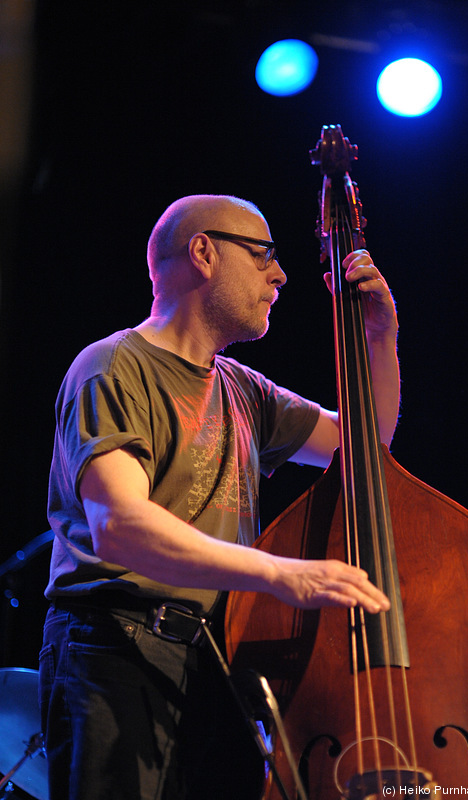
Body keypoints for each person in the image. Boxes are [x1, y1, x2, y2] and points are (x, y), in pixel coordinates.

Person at [39, 194, 400, 800]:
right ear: (204, 252)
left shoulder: (243, 389)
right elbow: (121, 526)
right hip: (117, 651)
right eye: (263, 255)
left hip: (217, 659)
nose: (279, 276)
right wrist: (280, 574)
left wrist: (380, 338)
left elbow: (362, 449)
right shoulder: (112, 366)